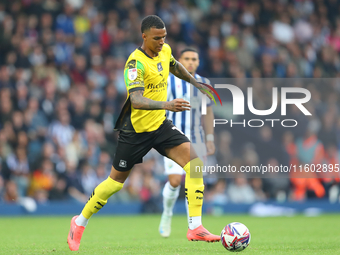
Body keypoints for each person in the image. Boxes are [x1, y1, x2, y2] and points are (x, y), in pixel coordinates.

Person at [67, 15, 220, 251]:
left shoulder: (165, 49)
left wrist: (194, 83)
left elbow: (173, 65)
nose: (161, 42)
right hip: (136, 131)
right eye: (157, 38)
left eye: (164, 37)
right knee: (115, 183)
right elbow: (136, 100)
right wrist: (167, 104)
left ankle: (195, 227)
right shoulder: (134, 64)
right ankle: (79, 222)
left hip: (160, 126)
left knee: (195, 164)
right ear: (144, 36)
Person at [159, 48, 216, 238]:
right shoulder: (167, 81)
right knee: (175, 181)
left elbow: (207, 113)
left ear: (198, 62)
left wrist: (209, 138)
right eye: (187, 59)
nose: (190, 62)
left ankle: (193, 225)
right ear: (179, 61)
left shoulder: (204, 83)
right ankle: (167, 214)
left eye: (194, 59)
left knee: (193, 180)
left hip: (197, 139)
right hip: (172, 138)